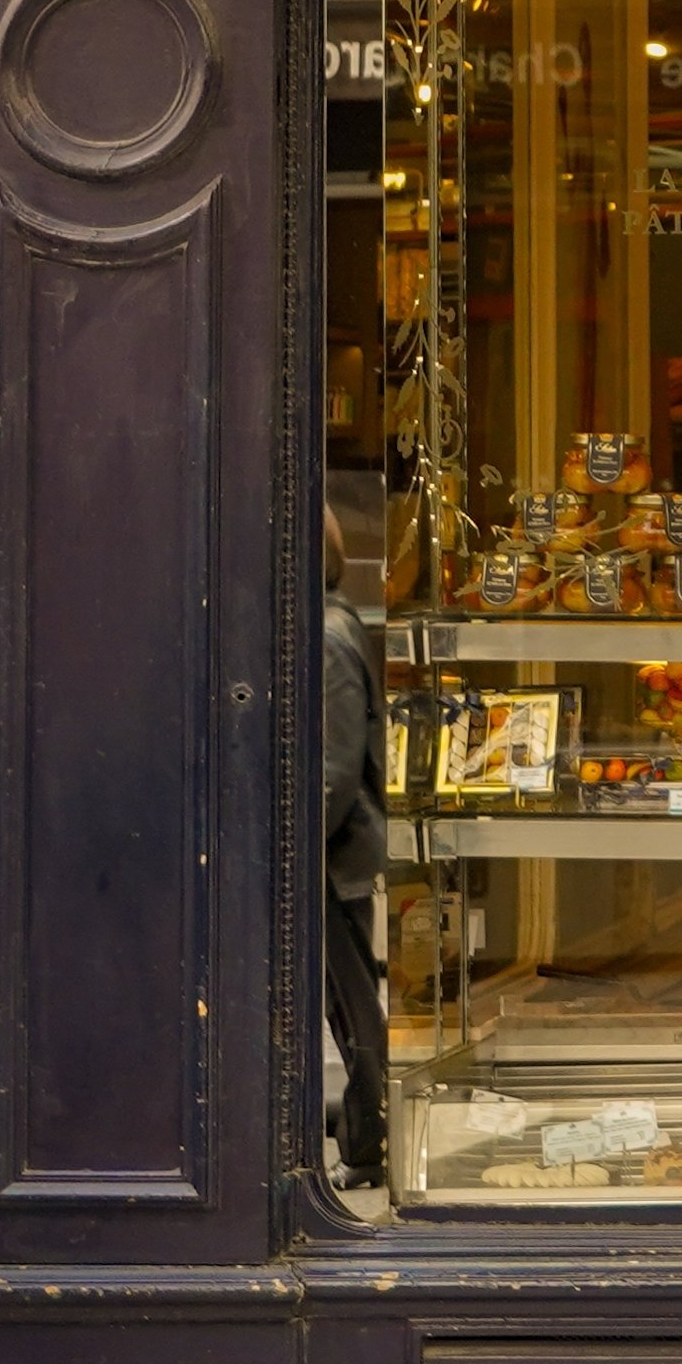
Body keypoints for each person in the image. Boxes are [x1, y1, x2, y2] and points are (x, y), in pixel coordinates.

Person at [318, 478, 393, 1191]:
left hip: (332, 855)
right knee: (345, 1001)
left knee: (351, 1006)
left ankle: (369, 1142)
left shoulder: (327, 635)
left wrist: (293, 843)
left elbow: (334, 769)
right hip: (334, 850)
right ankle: (364, 1138)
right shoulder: (334, 623)